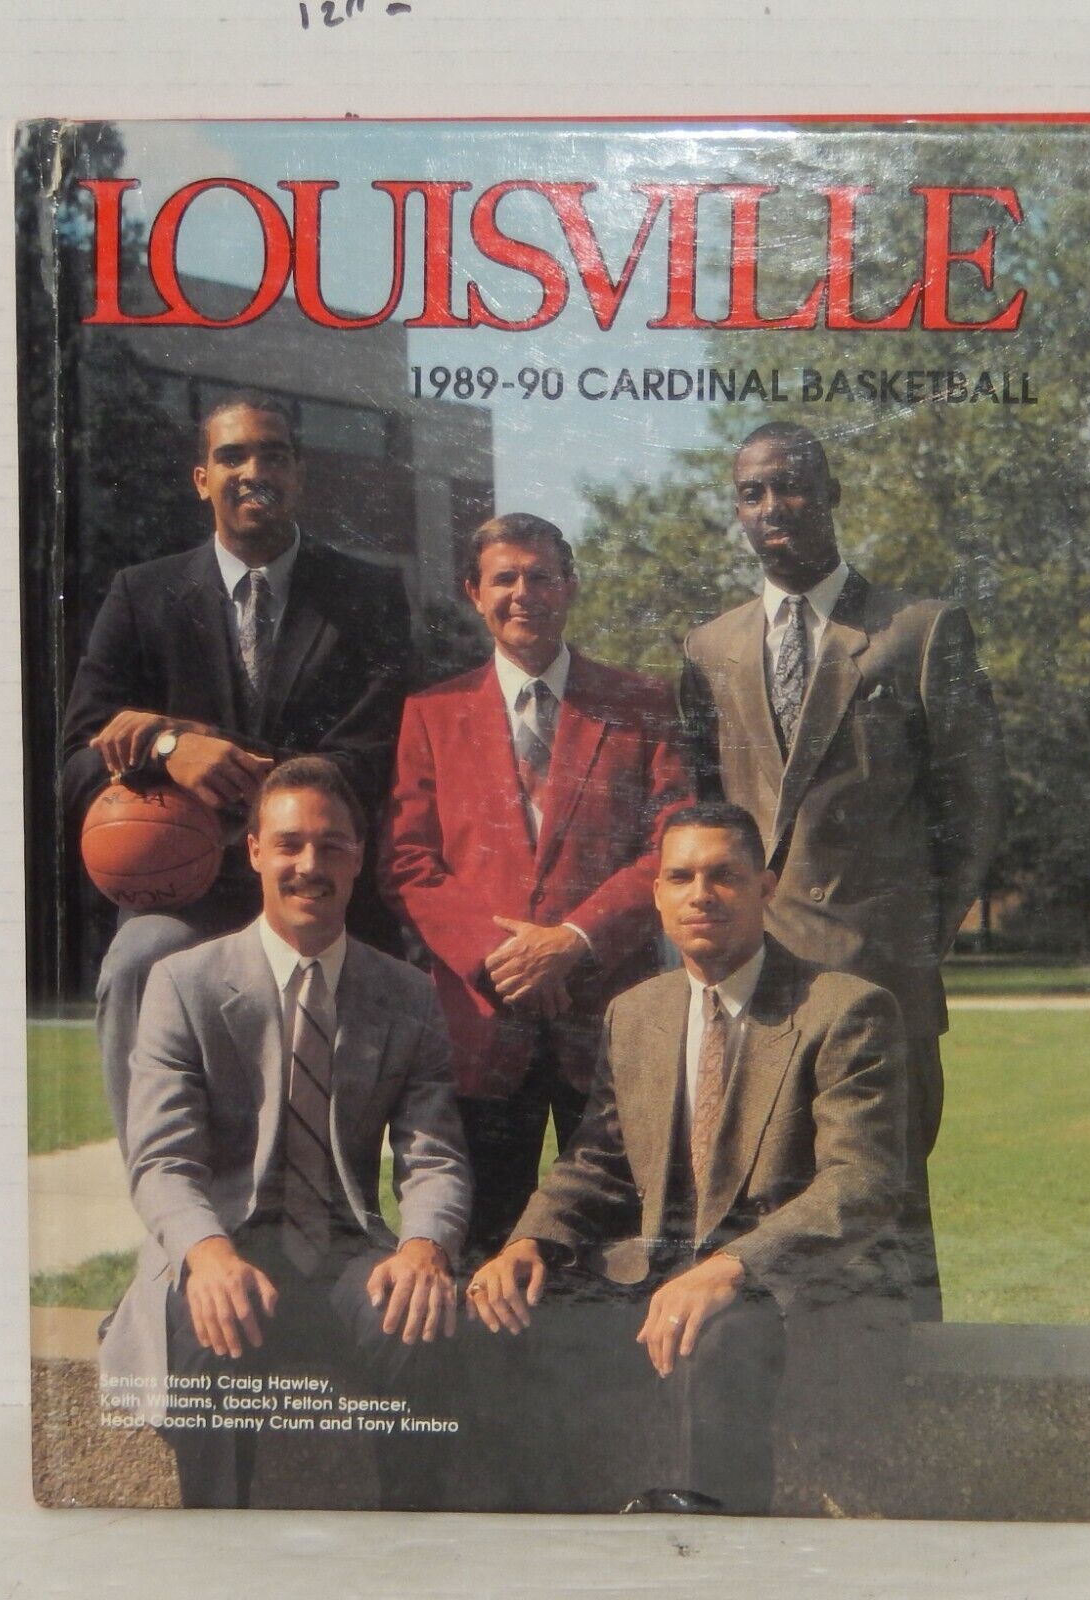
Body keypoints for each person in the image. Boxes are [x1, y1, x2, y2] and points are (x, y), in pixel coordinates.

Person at [466, 803, 907, 1515]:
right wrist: (529, 1241)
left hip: (773, 1287)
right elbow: (601, 1159)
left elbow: (860, 1182)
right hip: (647, 1273)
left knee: (720, 1338)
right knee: (500, 1314)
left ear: (766, 889)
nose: (700, 895)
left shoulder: (844, 1009)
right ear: (658, 893)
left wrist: (730, 1268)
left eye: (723, 876)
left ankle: (706, 1541)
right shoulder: (636, 1012)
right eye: (680, 877)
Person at [680, 423, 1005, 1318]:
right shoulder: (709, 649)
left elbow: (974, 805)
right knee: (759, 1221)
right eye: (751, 492)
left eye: (790, 485)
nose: (771, 506)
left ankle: (898, 1399)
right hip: (756, 983)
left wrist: (918, 934)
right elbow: (709, 815)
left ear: (830, 495)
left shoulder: (918, 630)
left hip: (881, 979)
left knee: (886, 1216)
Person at [99, 757, 471, 1509]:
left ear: (359, 857)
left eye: (332, 846)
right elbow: (163, 1160)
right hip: (227, 1244)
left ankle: (414, 1551)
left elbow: (434, 1158)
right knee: (208, 1333)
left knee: (421, 1324)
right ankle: (219, 1550)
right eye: (290, 844)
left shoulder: (405, 993)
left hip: (344, 1250)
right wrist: (207, 1255)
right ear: (254, 852)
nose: (310, 865)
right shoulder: (184, 982)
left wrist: (423, 1249)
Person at [60, 391, 411, 1146]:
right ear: (202, 479)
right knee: (137, 959)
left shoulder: (368, 594)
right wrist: (166, 752)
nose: (254, 471)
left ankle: (327, 1201)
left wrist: (195, 745)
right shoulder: (141, 594)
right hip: (185, 890)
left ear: (299, 474)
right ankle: (163, 1194)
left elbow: (365, 761)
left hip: (316, 885)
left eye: (273, 455)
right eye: (232, 456)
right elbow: (77, 764)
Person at [379, 513, 692, 1259]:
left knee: (619, 1248)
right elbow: (408, 861)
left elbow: (671, 846)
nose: (525, 593)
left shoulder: (641, 703)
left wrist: (573, 942)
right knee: (483, 1248)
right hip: (484, 1020)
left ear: (570, 587)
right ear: (473, 592)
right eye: (505, 578)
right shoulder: (431, 714)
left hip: (609, 1015)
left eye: (542, 576)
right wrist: (502, 960)